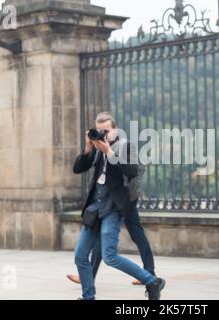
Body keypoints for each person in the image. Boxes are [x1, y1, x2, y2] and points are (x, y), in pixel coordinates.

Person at [73, 112, 165, 300]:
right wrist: (88, 147)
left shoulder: (124, 146)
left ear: (115, 129)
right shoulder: (97, 150)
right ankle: (88, 296)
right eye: (99, 131)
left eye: (106, 131)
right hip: (94, 209)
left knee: (110, 256)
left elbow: (131, 171)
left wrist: (109, 152)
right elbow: (78, 168)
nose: (103, 135)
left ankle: (151, 280)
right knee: (80, 255)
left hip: (113, 207)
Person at [67, 200, 156, 286]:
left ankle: (149, 274)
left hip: (120, 200)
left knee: (134, 235)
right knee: (137, 235)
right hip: (121, 199)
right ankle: (149, 272)